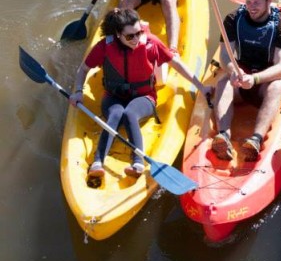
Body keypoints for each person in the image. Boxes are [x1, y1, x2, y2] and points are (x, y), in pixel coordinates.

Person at [68, 9, 210, 178]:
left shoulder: (151, 43)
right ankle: (98, 162)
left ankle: (138, 162)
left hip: (144, 97)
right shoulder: (105, 46)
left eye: (139, 33)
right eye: (130, 36)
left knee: (129, 114)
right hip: (114, 97)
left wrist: (201, 87)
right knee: (116, 113)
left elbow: (176, 64)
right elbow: (83, 69)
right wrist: (78, 91)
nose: (136, 39)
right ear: (118, 35)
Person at [210, 0, 281, 167]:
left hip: (265, 80)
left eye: (257, 2)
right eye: (248, 1)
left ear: (269, 1)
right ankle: (223, 136)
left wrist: (254, 79)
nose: (251, 6)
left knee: (279, 86)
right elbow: (224, 55)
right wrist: (233, 69)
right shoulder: (233, 19)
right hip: (242, 74)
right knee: (223, 81)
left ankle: (255, 139)